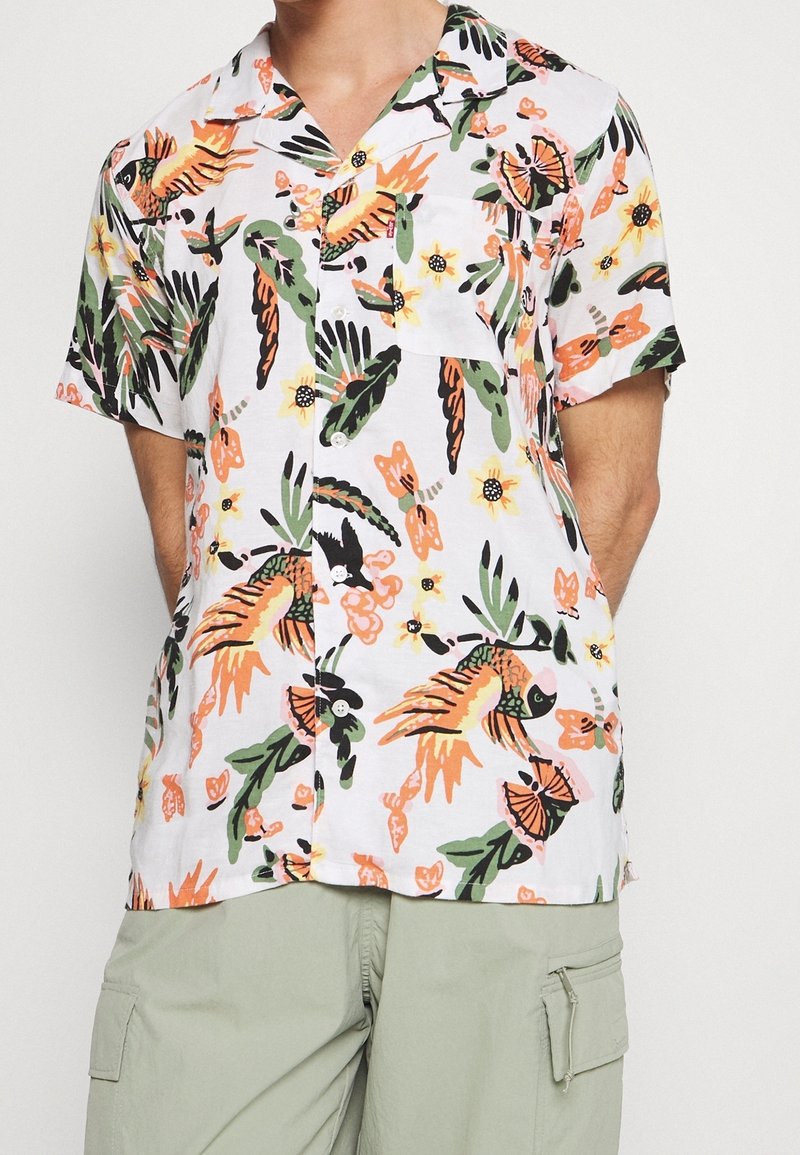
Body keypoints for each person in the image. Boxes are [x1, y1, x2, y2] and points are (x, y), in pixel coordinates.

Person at [55, 1, 686, 1151]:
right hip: (231, 833)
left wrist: (487, 710)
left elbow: (621, 491)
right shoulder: (157, 167)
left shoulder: (567, 123)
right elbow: (180, 535)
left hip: (502, 841)